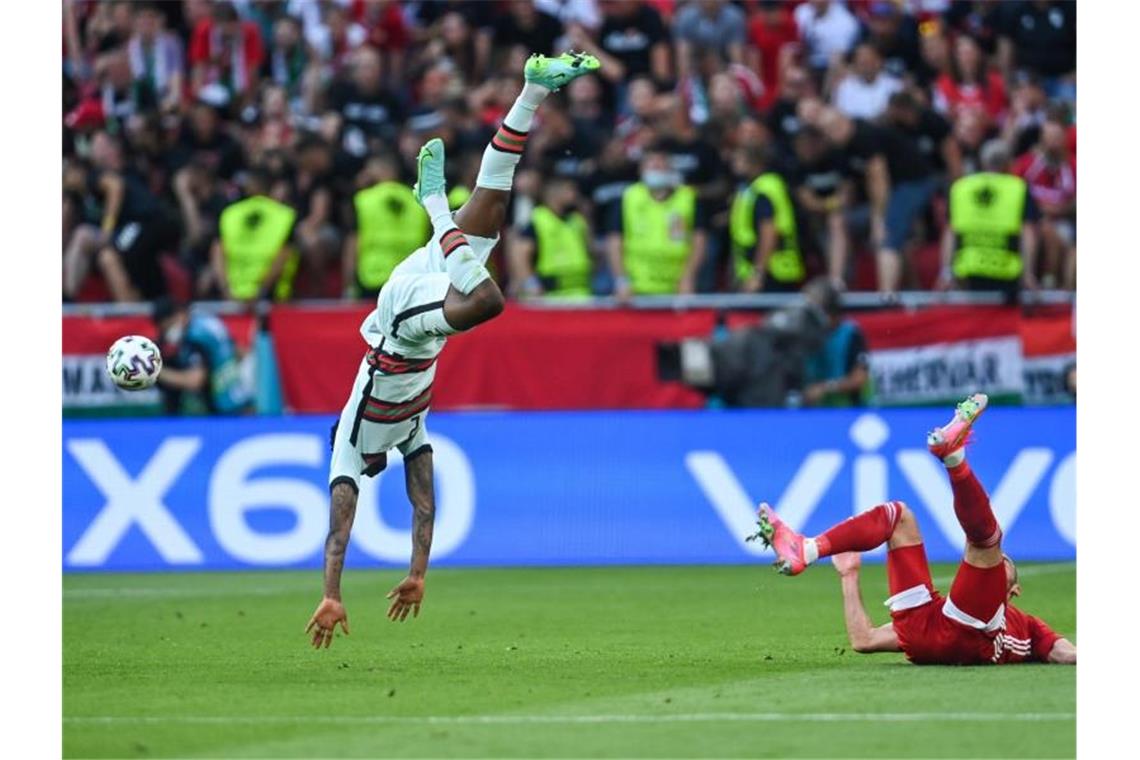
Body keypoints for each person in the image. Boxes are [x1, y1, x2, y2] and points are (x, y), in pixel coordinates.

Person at [306, 51, 601, 649]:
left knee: (489, 300)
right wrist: (417, 574)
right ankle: (533, 91)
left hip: (401, 328)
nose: (360, 474)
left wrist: (332, 591)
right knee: (490, 211)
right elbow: (424, 507)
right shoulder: (408, 433)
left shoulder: (352, 436)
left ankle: (433, 203)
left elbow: (340, 524)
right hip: (420, 313)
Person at [752, 393, 1076, 666]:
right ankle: (807, 548)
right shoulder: (954, 607)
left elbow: (1065, 651)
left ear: (1013, 590)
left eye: (1004, 563)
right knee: (900, 516)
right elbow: (864, 639)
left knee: (984, 541)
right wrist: (848, 576)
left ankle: (954, 457)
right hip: (931, 630)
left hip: (965, 635)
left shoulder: (1027, 625)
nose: (996, 562)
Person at [939, 140, 1039, 298]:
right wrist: (1028, 274)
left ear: (983, 162)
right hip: (1006, 274)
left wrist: (945, 273)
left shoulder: (960, 187)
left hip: (967, 273)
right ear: (1008, 164)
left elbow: (950, 232)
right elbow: (1028, 234)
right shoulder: (1018, 188)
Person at [605, 147, 708, 299]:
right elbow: (614, 243)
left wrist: (688, 277)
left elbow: (699, 241)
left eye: (661, 167)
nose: (657, 171)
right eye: (652, 167)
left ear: (671, 170)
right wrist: (622, 281)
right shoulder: (628, 198)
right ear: (641, 171)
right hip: (636, 288)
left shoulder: (688, 198)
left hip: (676, 287)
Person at [344, 152, 431, 300]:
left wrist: (349, 283)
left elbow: (353, 243)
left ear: (380, 170)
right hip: (412, 278)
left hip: (372, 279)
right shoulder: (418, 201)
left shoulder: (362, 199)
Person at [152, 296, 254, 415]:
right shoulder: (208, 321)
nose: (167, 333)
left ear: (179, 315)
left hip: (224, 408)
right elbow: (238, 350)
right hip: (240, 397)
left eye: (168, 327)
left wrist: (156, 372)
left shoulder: (194, 338)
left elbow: (195, 381)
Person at [208, 169, 298, 303]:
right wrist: (260, 292)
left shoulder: (229, 214)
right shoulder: (286, 215)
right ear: (272, 187)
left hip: (232, 297)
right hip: (271, 301)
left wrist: (226, 291)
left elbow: (218, 252)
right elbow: (283, 255)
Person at [728, 145, 805, 293]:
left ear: (754, 162)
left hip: (772, 274)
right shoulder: (752, 188)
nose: (734, 162)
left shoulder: (764, 190)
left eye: (739, 159)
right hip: (769, 272)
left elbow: (769, 232)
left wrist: (757, 274)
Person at [509, 176, 594, 298]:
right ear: (554, 193)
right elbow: (519, 254)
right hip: (551, 294)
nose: (574, 195)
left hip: (582, 292)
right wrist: (530, 284)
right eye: (569, 190)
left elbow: (590, 251)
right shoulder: (538, 219)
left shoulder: (577, 220)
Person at [799, 277, 869, 407]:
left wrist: (826, 388)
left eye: (812, 308)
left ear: (829, 310)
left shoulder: (851, 334)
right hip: (811, 411)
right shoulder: (804, 332)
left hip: (847, 411)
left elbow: (859, 378)